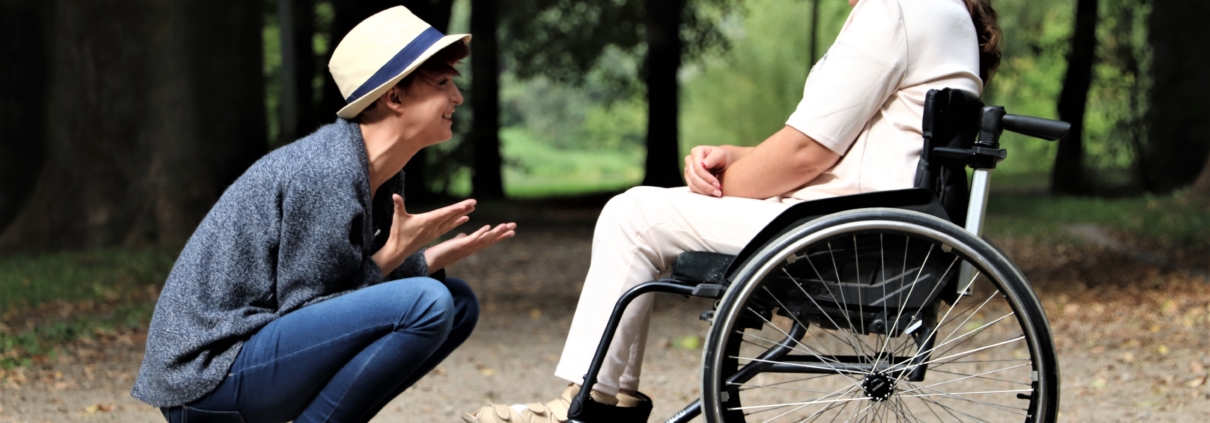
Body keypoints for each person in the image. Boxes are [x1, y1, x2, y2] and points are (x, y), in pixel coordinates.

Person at [463, 0, 1001, 421]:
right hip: (873, 220)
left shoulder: (896, 11)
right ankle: (601, 397)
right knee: (645, 211)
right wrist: (734, 160)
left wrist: (725, 183)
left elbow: (807, 153)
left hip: (841, 229)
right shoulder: (944, 13)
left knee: (633, 214)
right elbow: (838, 148)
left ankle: (594, 404)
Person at [132, 7, 516, 423]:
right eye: (442, 83)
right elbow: (308, 310)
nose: (457, 97)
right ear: (395, 96)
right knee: (429, 301)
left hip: (254, 360)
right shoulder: (327, 170)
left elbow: (339, 296)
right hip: (209, 379)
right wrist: (395, 258)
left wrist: (426, 259)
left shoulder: (378, 173)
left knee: (457, 303)